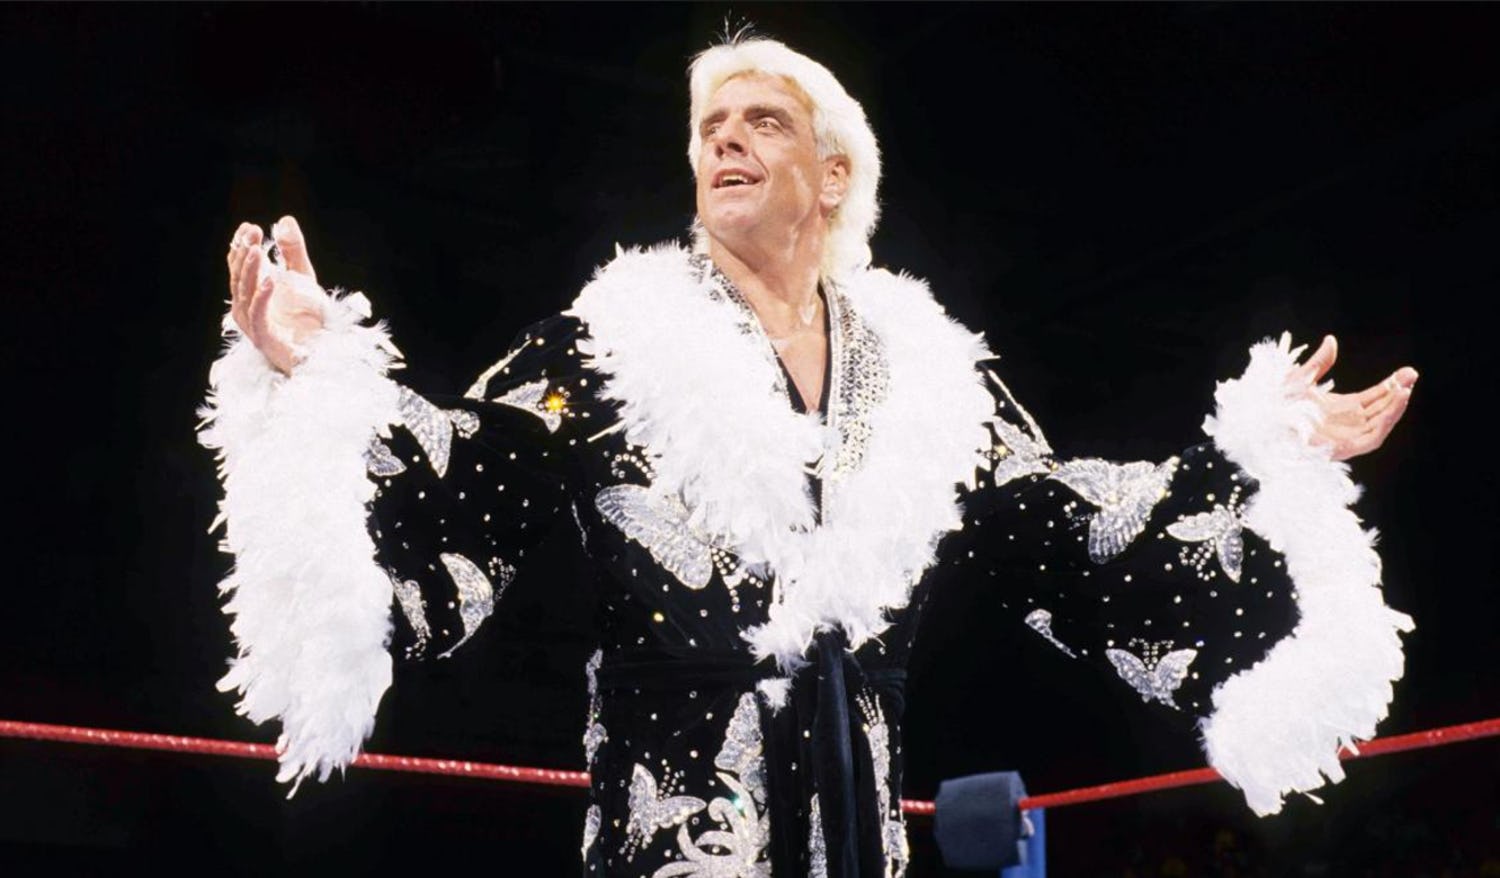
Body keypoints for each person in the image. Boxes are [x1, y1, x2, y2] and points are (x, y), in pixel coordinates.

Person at [200, 36, 1418, 878]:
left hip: (860, 818)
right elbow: (473, 467)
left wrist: (1265, 456)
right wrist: (322, 374)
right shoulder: (612, 340)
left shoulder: (928, 369)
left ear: (832, 176)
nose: (724, 144)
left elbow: (1061, 522)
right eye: (709, 129)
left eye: (761, 123)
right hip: (676, 827)